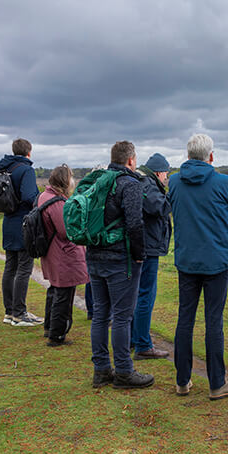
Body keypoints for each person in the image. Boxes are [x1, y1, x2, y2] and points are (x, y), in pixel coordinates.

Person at [168, 134, 228, 400]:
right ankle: (216, 383)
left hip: (187, 258)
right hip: (216, 259)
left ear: (188, 155)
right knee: (214, 320)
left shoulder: (175, 181)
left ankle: (182, 380)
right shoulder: (224, 182)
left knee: (185, 319)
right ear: (211, 156)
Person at [86, 141, 153, 390]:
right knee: (123, 317)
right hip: (119, 259)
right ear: (131, 160)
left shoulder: (97, 180)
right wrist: (139, 255)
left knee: (101, 314)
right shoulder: (130, 184)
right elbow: (135, 223)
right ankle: (124, 371)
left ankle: (101, 370)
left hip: (93, 255)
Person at [37, 165, 88, 347]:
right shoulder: (58, 202)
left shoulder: (44, 196)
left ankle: (50, 327)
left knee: (55, 290)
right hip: (63, 254)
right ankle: (57, 335)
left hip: (53, 252)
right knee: (64, 294)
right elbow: (66, 231)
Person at [132, 153, 173, 360]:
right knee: (145, 295)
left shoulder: (140, 181)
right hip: (147, 247)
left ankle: (134, 338)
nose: (166, 177)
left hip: (141, 244)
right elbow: (160, 208)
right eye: (166, 173)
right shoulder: (148, 184)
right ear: (159, 172)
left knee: (138, 293)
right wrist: (172, 195)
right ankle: (143, 344)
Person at [0, 139, 41, 326]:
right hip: (24, 222)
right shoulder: (26, 170)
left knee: (10, 267)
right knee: (24, 268)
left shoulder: (5, 169)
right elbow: (29, 197)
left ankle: (9, 312)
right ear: (28, 153)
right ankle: (19, 313)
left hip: (8, 221)